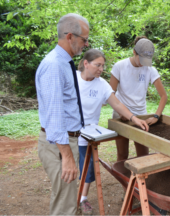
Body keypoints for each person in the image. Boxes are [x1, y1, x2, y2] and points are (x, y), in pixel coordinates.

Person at [76, 49, 149, 214]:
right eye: (98, 65)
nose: (101, 69)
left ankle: (82, 199)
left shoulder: (101, 84)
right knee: (66, 168)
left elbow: (116, 104)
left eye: (103, 66)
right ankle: (68, 199)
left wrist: (134, 118)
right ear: (86, 63)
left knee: (87, 169)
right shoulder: (72, 79)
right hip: (68, 134)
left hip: (88, 135)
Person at [35, 13, 90, 215]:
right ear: (69, 36)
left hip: (65, 143)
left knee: (66, 197)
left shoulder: (63, 63)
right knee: (64, 206)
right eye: (84, 39)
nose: (86, 44)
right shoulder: (55, 65)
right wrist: (66, 156)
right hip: (60, 145)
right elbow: (55, 116)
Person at [109, 36, 168, 161]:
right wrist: (121, 113)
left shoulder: (150, 69)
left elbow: (163, 96)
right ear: (134, 52)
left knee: (143, 155)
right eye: (141, 59)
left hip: (141, 115)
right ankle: (125, 180)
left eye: (146, 60)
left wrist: (156, 116)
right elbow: (110, 94)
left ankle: (140, 181)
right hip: (121, 115)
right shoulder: (120, 66)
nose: (143, 63)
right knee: (123, 154)